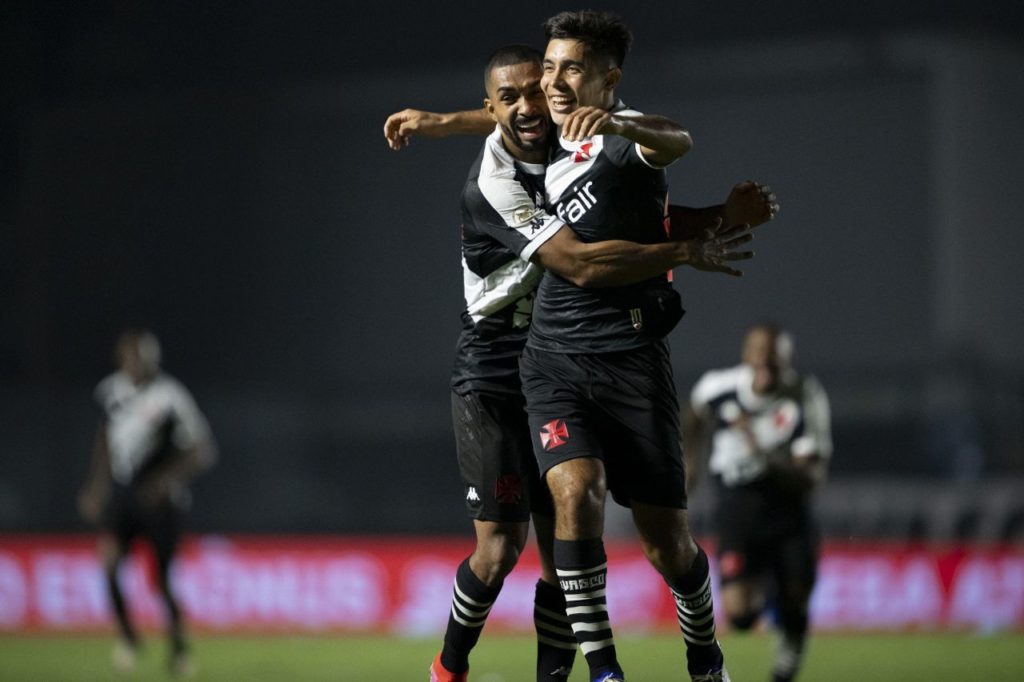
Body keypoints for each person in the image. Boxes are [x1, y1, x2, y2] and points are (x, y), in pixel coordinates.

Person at [385, 41, 774, 682]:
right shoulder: (494, 183)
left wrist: (720, 217)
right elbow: (580, 262)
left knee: (566, 535)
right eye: (507, 100)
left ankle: (560, 676)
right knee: (499, 548)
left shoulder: (564, 139)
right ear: (494, 108)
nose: (529, 106)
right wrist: (690, 247)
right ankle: (447, 671)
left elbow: (630, 212)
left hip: (556, 349)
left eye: (535, 90)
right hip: (492, 361)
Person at [683, 323, 831, 682]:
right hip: (736, 504)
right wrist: (690, 465)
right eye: (759, 352)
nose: (765, 360)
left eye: (773, 355)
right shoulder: (719, 388)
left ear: (786, 360)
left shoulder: (803, 397)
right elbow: (694, 416)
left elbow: (812, 476)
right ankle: (767, 590)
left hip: (787, 504)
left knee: (796, 598)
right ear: (746, 355)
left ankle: (785, 663)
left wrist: (765, 456)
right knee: (740, 614)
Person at [77, 329, 216, 677]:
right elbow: (105, 441)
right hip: (125, 496)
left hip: (161, 501)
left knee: (162, 580)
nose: (135, 363)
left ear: (153, 359)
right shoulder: (112, 392)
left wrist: (167, 479)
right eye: (129, 356)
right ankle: (128, 637)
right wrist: (97, 486)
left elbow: (202, 449)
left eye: (141, 356)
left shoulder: (171, 397)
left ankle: (178, 649)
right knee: (108, 562)